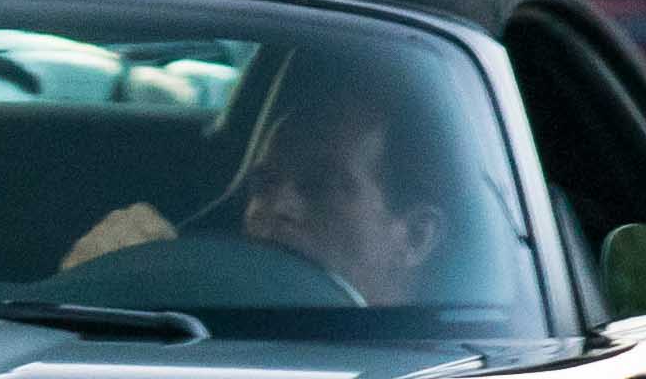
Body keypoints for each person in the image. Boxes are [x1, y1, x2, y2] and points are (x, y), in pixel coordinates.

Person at [54, 65, 460, 306]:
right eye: (264, 183)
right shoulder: (196, 320)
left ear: (416, 236)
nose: (276, 205)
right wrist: (100, 285)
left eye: (319, 185)